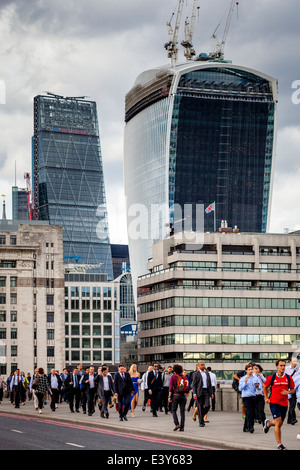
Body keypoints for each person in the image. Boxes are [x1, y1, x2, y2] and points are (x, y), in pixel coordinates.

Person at [263, 359, 296, 450]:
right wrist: (266, 397)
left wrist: (288, 392)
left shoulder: (288, 378)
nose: (283, 367)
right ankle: (279, 445)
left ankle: (268, 424)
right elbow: (265, 387)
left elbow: (293, 390)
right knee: (278, 422)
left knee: (280, 423)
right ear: (276, 366)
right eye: (281, 365)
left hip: (284, 404)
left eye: (284, 365)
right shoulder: (272, 377)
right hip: (274, 403)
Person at [238, 363, 261, 433]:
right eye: (249, 370)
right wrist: (245, 382)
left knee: (252, 412)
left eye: (251, 369)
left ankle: (245, 427)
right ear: (246, 370)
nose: (250, 371)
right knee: (249, 411)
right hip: (245, 397)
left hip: (253, 396)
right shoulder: (242, 378)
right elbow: (240, 388)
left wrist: (257, 386)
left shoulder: (255, 378)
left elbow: (260, 388)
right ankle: (251, 427)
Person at [168, 364, 190, 432]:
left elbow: (170, 388)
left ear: (174, 370)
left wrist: (169, 396)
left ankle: (177, 424)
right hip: (183, 396)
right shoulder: (184, 376)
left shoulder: (173, 377)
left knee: (174, 410)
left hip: (176, 395)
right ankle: (182, 427)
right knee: (182, 412)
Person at [192, 361, 214, 427]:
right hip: (199, 392)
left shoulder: (207, 373)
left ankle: (201, 416)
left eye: (204, 365)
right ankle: (201, 422)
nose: (203, 366)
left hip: (206, 391)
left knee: (207, 405)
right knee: (200, 406)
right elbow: (194, 385)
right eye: (201, 365)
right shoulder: (196, 374)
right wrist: (194, 394)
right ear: (198, 366)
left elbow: (209, 384)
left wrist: (211, 393)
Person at [285, 357, 299, 425]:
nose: (295, 362)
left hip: (297, 390)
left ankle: (289, 420)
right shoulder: (286, 369)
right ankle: (293, 419)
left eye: (296, 361)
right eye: (293, 361)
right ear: (290, 362)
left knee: (292, 404)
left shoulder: (299, 369)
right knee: (292, 404)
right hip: (290, 389)